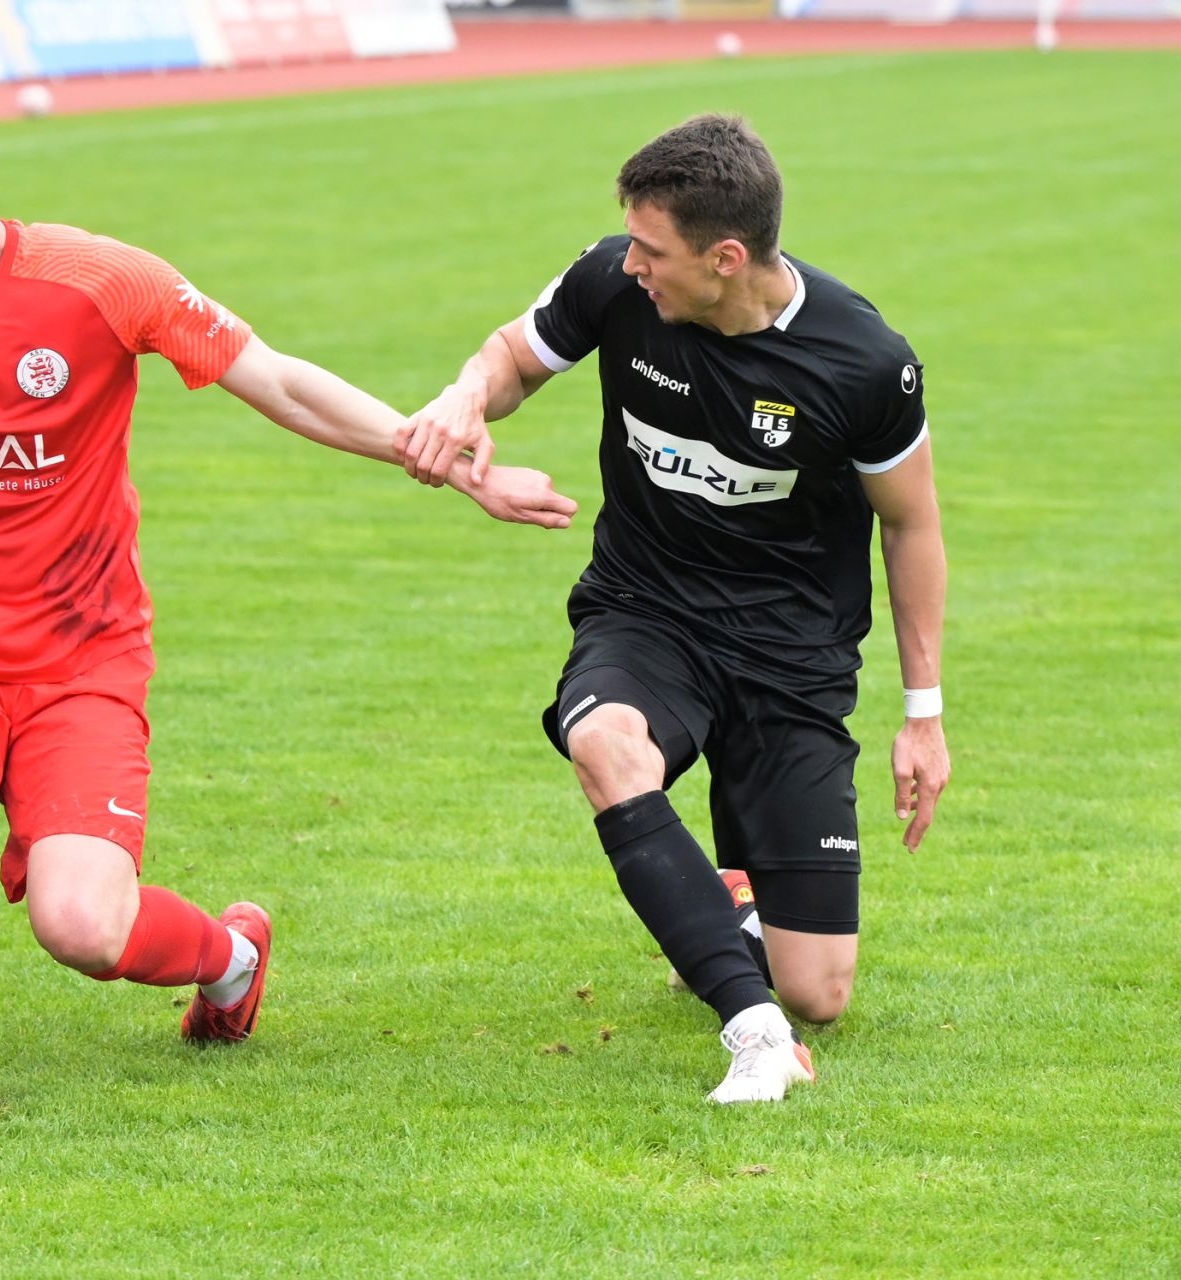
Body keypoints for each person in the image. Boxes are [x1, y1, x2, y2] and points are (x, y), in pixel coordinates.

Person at [0, 82, 577, 1136]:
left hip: (81, 659)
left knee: (80, 924)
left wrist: (450, 464)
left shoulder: (100, 282)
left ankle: (230, 958)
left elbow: (276, 380)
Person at [397, 114, 950, 1104]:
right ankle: (757, 1036)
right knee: (607, 743)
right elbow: (514, 356)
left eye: (655, 250)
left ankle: (740, 921)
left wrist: (925, 713)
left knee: (820, 985)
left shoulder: (864, 365)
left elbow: (911, 526)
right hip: (648, 613)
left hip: (790, 653)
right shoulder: (614, 282)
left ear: (724, 258)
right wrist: (463, 397)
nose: (634, 264)